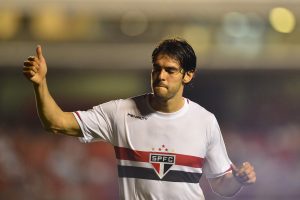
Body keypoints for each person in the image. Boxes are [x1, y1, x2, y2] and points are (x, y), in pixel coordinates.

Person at [23, 38, 256, 199]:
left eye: (170, 70)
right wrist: (40, 85)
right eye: (156, 68)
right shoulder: (120, 112)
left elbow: (221, 185)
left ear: (188, 75)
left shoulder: (205, 121)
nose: (160, 76)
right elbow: (55, 122)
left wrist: (238, 180)